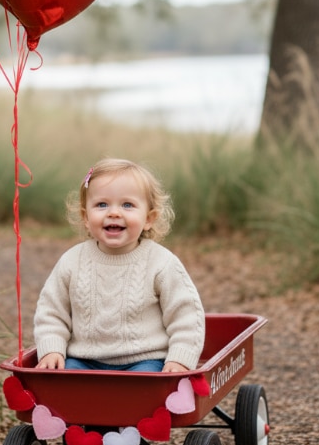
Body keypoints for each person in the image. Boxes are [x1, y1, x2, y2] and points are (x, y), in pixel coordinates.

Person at [33, 158, 205, 372]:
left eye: (127, 205)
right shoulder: (72, 261)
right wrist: (52, 350)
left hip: (145, 360)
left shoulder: (161, 263)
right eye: (101, 205)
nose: (114, 213)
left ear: (149, 218)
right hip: (84, 360)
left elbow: (186, 316)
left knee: (145, 386)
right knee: (65, 380)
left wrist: (179, 359)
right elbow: (51, 311)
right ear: (86, 217)